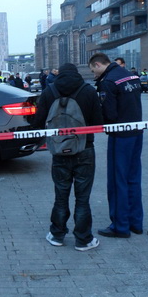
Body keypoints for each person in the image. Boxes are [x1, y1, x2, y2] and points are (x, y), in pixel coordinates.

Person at [33, 63, 103, 251]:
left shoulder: (49, 91)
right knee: (82, 197)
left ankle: (57, 235)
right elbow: (98, 121)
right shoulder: (88, 91)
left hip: (59, 150)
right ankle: (83, 239)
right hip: (85, 149)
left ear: (59, 74)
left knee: (61, 195)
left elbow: (38, 121)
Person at [89, 52, 143, 238]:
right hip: (137, 132)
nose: (94, 74)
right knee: (133, 178)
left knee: (118, 180)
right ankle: (136, 222)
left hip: (120, 137)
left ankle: (120, 226)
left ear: (97, 64)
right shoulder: (130, 75)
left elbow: (110, 115)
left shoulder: (108, 82)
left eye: (93, 70)